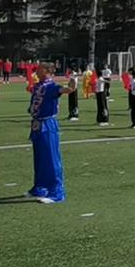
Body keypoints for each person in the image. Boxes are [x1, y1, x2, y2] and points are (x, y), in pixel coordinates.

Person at [26, 63, 76, 204]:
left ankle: (56, 192)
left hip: (48, 124)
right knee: (39, 158)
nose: (37, 71)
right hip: (37, 124)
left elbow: (66, 90)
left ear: (48, 71)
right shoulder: (38, 86)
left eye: (40, 69)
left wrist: (72, 85)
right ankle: (40, 187)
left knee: (51, 158)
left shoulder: (52, 86)